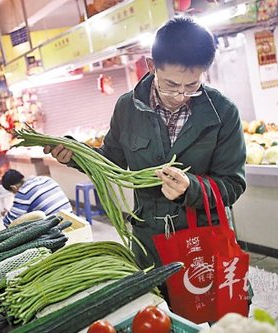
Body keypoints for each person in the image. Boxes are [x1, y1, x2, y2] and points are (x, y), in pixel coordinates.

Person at [45, 16, 246, 269]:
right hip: (149, 239)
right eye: (171, 85)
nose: (181, 96)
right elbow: (111, 161)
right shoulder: (127, 107)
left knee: (204, 304)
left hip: (203, 237)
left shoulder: (223, 112)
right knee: (154, 305)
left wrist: (191, 188)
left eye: (192, 85)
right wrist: (75, 155)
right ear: (152, 66)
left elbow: (233, 183)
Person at [1, 169, 73, 226]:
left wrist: (5, 215)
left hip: (58, 226)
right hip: (72, 218)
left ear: (13, 188)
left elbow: (9, 223)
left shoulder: (23, 192)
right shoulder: (45, 178)